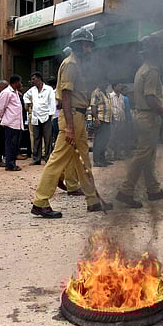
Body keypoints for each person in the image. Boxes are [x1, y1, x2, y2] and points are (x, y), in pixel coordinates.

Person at [31, 27, 112, 218]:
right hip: (72, 117)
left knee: (83, 159)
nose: (90, 49)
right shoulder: (71, 65)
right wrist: (68, 127)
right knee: (57, 159)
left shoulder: (77, 65)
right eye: (87, 45)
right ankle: (40, 201)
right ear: (79, 45)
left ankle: (92, 200)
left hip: (78, 117)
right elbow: (66, 96)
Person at [116, 32, 163, 208]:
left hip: (142, 115)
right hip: (148, 117)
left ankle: (153, 190)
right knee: (143, 155)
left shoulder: (142, 69)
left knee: (148, 156)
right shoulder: (152, 71)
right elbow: (151, 97)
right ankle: (125, 191)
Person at [24, 71, 56, 165]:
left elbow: (52, 102)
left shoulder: (48, 89)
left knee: (48, 139)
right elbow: (25, 96)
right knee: (36, 138)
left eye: (34, 79)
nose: (32, 81)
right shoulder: (32, 90)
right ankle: (36, 159)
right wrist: (28, 103)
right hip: (35, 117)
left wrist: (51, 114)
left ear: (39, 78)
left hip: (46, 116)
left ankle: (48, 158)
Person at [0, 75, 24, 171]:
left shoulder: (16, 93)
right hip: (10, 123)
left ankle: (12, 162)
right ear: (15, 82)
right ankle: (10, 164)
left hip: (17, 123)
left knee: (14, 145)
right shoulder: (7, 93)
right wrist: (4, 118)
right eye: (19, 82)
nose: (21, 84)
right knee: (10, 144)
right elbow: (1, 108)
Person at [90, 81, 113, 167]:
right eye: (105, 83)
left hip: (107, 120)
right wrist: (96, 119)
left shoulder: (106, 93)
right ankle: (97, 161)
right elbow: (93, 106)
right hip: (100, 119)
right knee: (99, 141)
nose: (107, 85)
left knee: (105, 140)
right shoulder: (96, 92)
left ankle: (103, 159)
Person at [109, 82, 126, 159]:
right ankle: (110, 155)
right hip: (114, 119)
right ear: (114, 87)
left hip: (121, 119)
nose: (120, 87)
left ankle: (117, 154)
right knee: (112, 138)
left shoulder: (122, 97)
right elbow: (109, 108)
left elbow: (123, 108)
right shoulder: (110, 96)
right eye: (118, 86)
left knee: (119, 138)